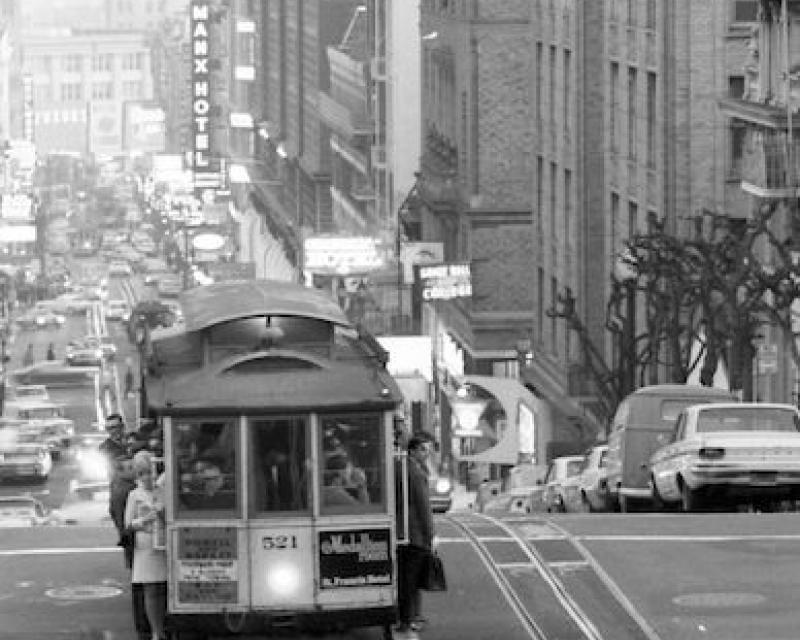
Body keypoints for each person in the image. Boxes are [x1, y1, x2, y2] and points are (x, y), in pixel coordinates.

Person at [395, 433, 435, 639]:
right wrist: (430, 534)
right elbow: (423, 506)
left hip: (404, 532)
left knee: (407, 577)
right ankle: (409, 619)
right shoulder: (415, 473)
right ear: (412, 450)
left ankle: (409, 618)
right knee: (412, 578)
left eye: (428, 450)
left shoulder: (403, 467)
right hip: (415, 533)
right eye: (423, 449)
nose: (426, 454)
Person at [124, 450, 167, 640]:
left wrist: (161, 514)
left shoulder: (163, 490)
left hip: (163, 542)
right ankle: (156, 631)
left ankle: (163, 627)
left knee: (163, 587)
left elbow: (172, 516)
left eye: (150, 472)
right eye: (142, 473)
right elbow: (128, 523)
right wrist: (144, 520)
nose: (148, 477)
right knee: (150, 589)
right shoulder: (134, 495)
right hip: (145, 545)